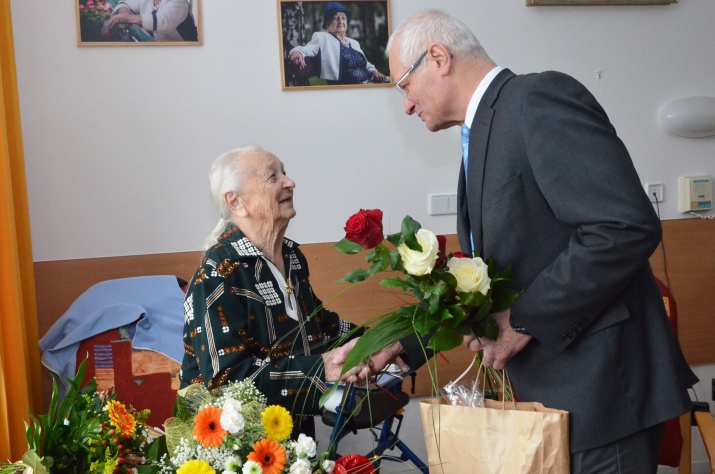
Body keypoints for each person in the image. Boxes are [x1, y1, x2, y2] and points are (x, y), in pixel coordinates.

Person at [383, 9, 698, 473]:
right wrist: (397, 348)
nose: (407, 105)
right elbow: (496, 283)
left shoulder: (537, 99)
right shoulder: (483, 131)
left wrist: (524, 321)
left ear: (438, 57)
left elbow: (623, 227)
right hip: (558, 402)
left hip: (601, 398)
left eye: (404, 86)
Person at [180, 145, 363, 437]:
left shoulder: (291, 257)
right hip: (235, 447)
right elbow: (226, 382)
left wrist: (376, 341)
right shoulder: (220, 271)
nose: (289, 182)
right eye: (272, 176)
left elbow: (318, 326)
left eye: (285, 173)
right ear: (236, 202)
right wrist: (322, 368)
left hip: (292, 434)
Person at [288, 2, 387, 85]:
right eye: (336, 18)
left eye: (343, 18)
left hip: (369, 82)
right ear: (327, 24)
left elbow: (366, 63)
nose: (340, 21)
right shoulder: (322, 37)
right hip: (349, 89)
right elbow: (305, 49)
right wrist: (296, 52)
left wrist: (374, 71)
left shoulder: (354, 42)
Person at [101, 0, 198, 42]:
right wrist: (125, 12)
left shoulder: (179, 2)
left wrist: (120, 18)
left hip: (182, 59)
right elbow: (125, 3)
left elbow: (161, 21)